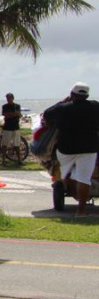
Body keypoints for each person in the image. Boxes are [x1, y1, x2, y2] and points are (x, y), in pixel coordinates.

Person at [44, 82, 99, 217]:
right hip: (89, 148)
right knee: (84, 178)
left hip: (66, 149)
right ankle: (81, 211)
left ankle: (65, 181)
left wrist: (62, 102)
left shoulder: (63, 108)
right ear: (87, 95)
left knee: (65, 173)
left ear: (72, 94)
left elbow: (46, 115)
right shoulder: (95, 106)